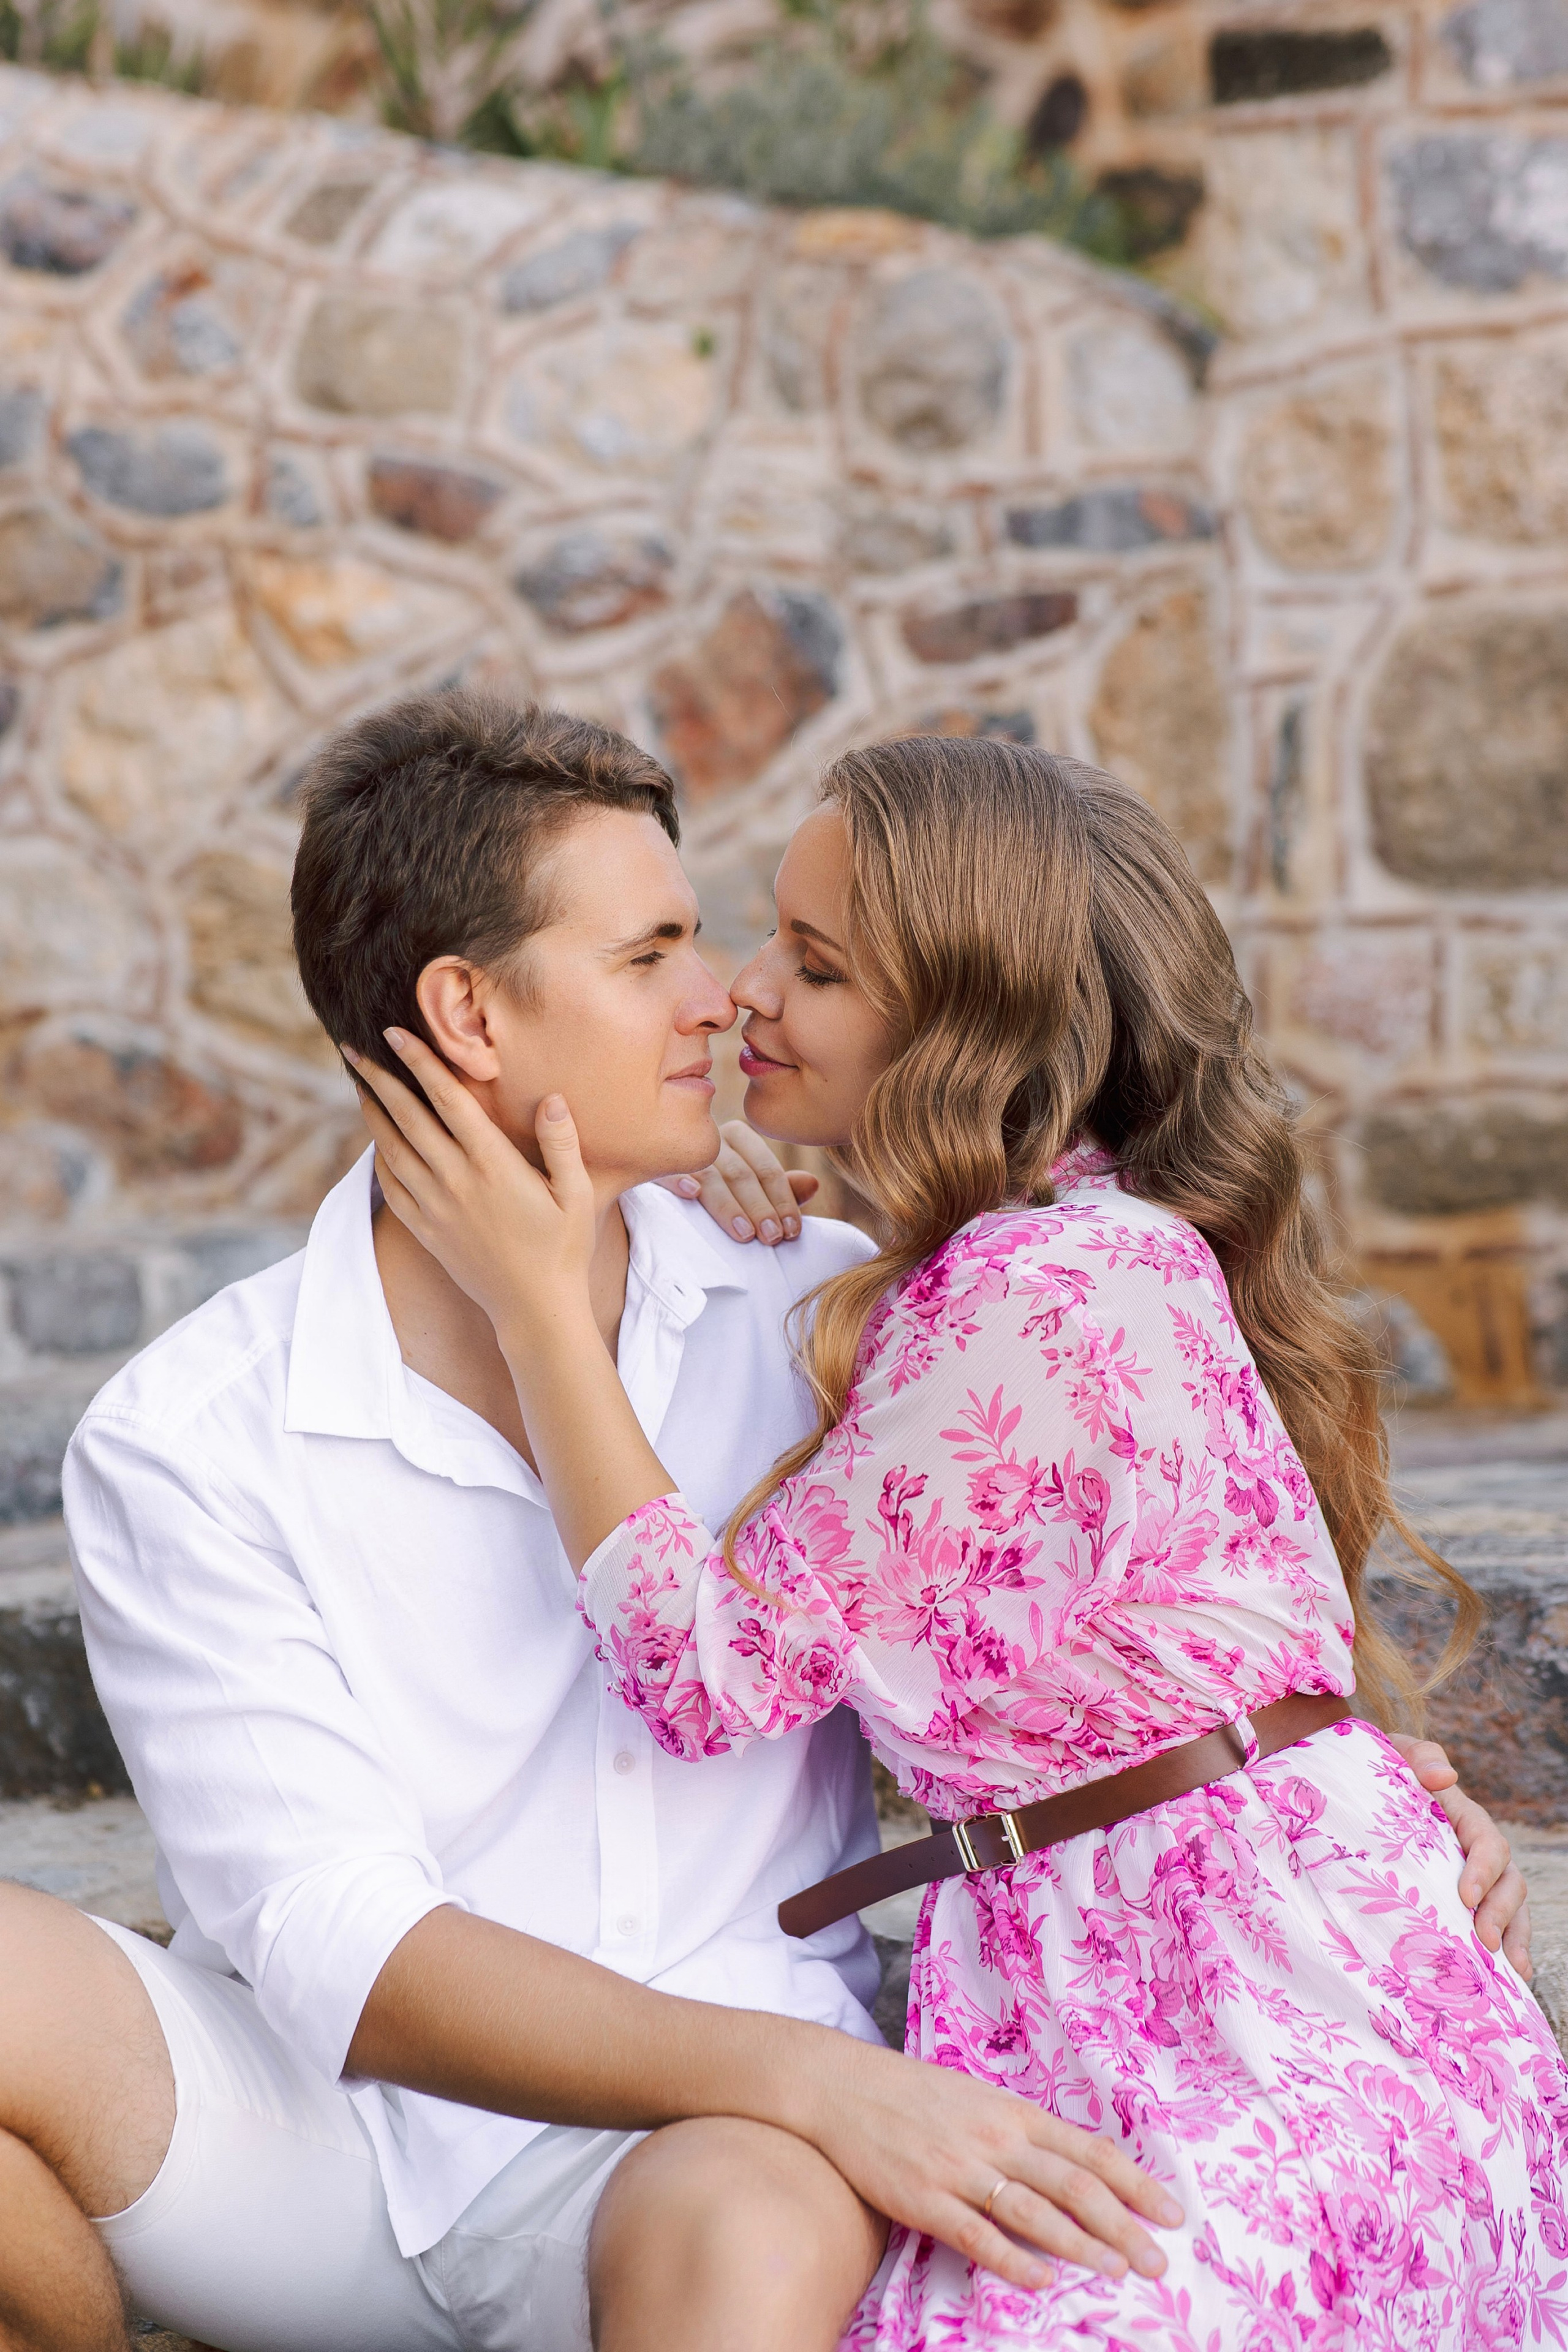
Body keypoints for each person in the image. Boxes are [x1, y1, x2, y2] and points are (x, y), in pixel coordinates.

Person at [350, 731, 1567, 2350]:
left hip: (1256, 2013)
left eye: (817, 963)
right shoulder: (1037, 1255)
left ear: (961, 1024)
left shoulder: (1038, 1290)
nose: (741, 991)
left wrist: (534, 1309)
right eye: (766, 936)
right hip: (1142, 1976)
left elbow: (712, 1674)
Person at [6, 696, 1194, 2352]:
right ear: (469, 1014)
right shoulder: (190, 1429)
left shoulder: (823, 1315)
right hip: (326, 2161)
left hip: (707, 2163)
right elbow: (337, 1947)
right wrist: (821, 2079)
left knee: (750, 2216)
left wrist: (1356, 1782)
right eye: (650, 956)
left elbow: (1117, 1629)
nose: (723, 998)